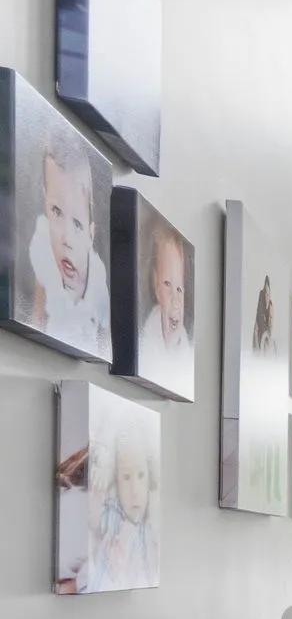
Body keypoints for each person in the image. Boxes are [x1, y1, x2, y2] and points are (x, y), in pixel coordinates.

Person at [26, 133, 109, 356]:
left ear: (91, 235)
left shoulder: (98, 276)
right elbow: (36, 316)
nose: (66, 239)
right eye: (56, 212)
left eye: (78, 225)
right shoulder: (43, 244)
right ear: (45, 201)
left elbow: (106, 341)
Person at [80, 416, 158, 592]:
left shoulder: (153, 522)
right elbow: (93, 523)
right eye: (126, 477)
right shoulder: (113, 516)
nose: (134, 490)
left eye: (140, 475)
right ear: (116, 481)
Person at [137, 224, 190, 379]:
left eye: (179, 289)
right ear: (156, 285)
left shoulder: (184, 341)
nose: (175, 301)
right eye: (167, 284)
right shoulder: (148, 338)